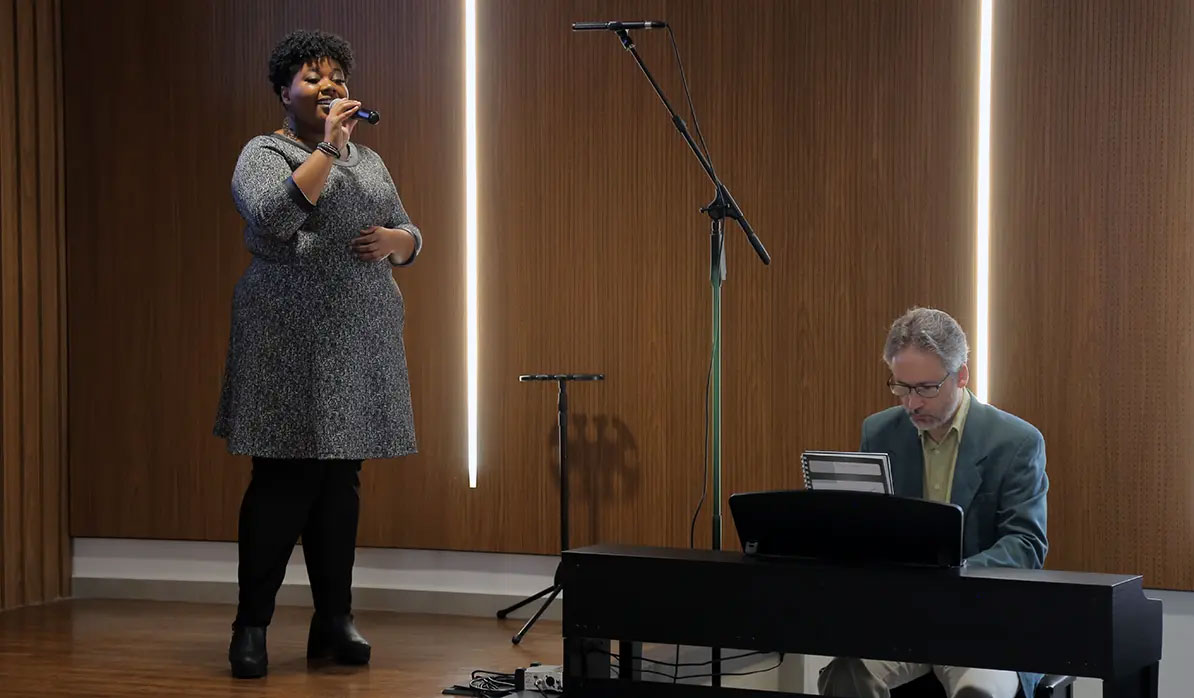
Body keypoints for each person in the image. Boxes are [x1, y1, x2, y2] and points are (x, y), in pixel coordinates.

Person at [213, 29, 423, 679]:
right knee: (284, 480)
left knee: (339, 483)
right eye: (312, 77)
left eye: (336, 76)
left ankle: (334, 621)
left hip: (359, 335)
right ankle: (251, 625)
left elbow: (407, 229)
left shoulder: (371, 159)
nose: (329, 85)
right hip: (286, 338)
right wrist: (329, 147)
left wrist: (400, 242)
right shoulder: (264, 152)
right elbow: (275, 217)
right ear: (285, 92)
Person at [818, 307, 1048, 698]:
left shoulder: (1016, 442)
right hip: (903, 616)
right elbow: (870, 526)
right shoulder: (879, 431)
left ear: (961, 376)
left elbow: (1026, 545)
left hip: (983, 619)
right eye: (901, 387)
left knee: (980, 691)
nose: (911, 403)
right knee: (845, 675)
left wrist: (954, 576)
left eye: (926, 388)